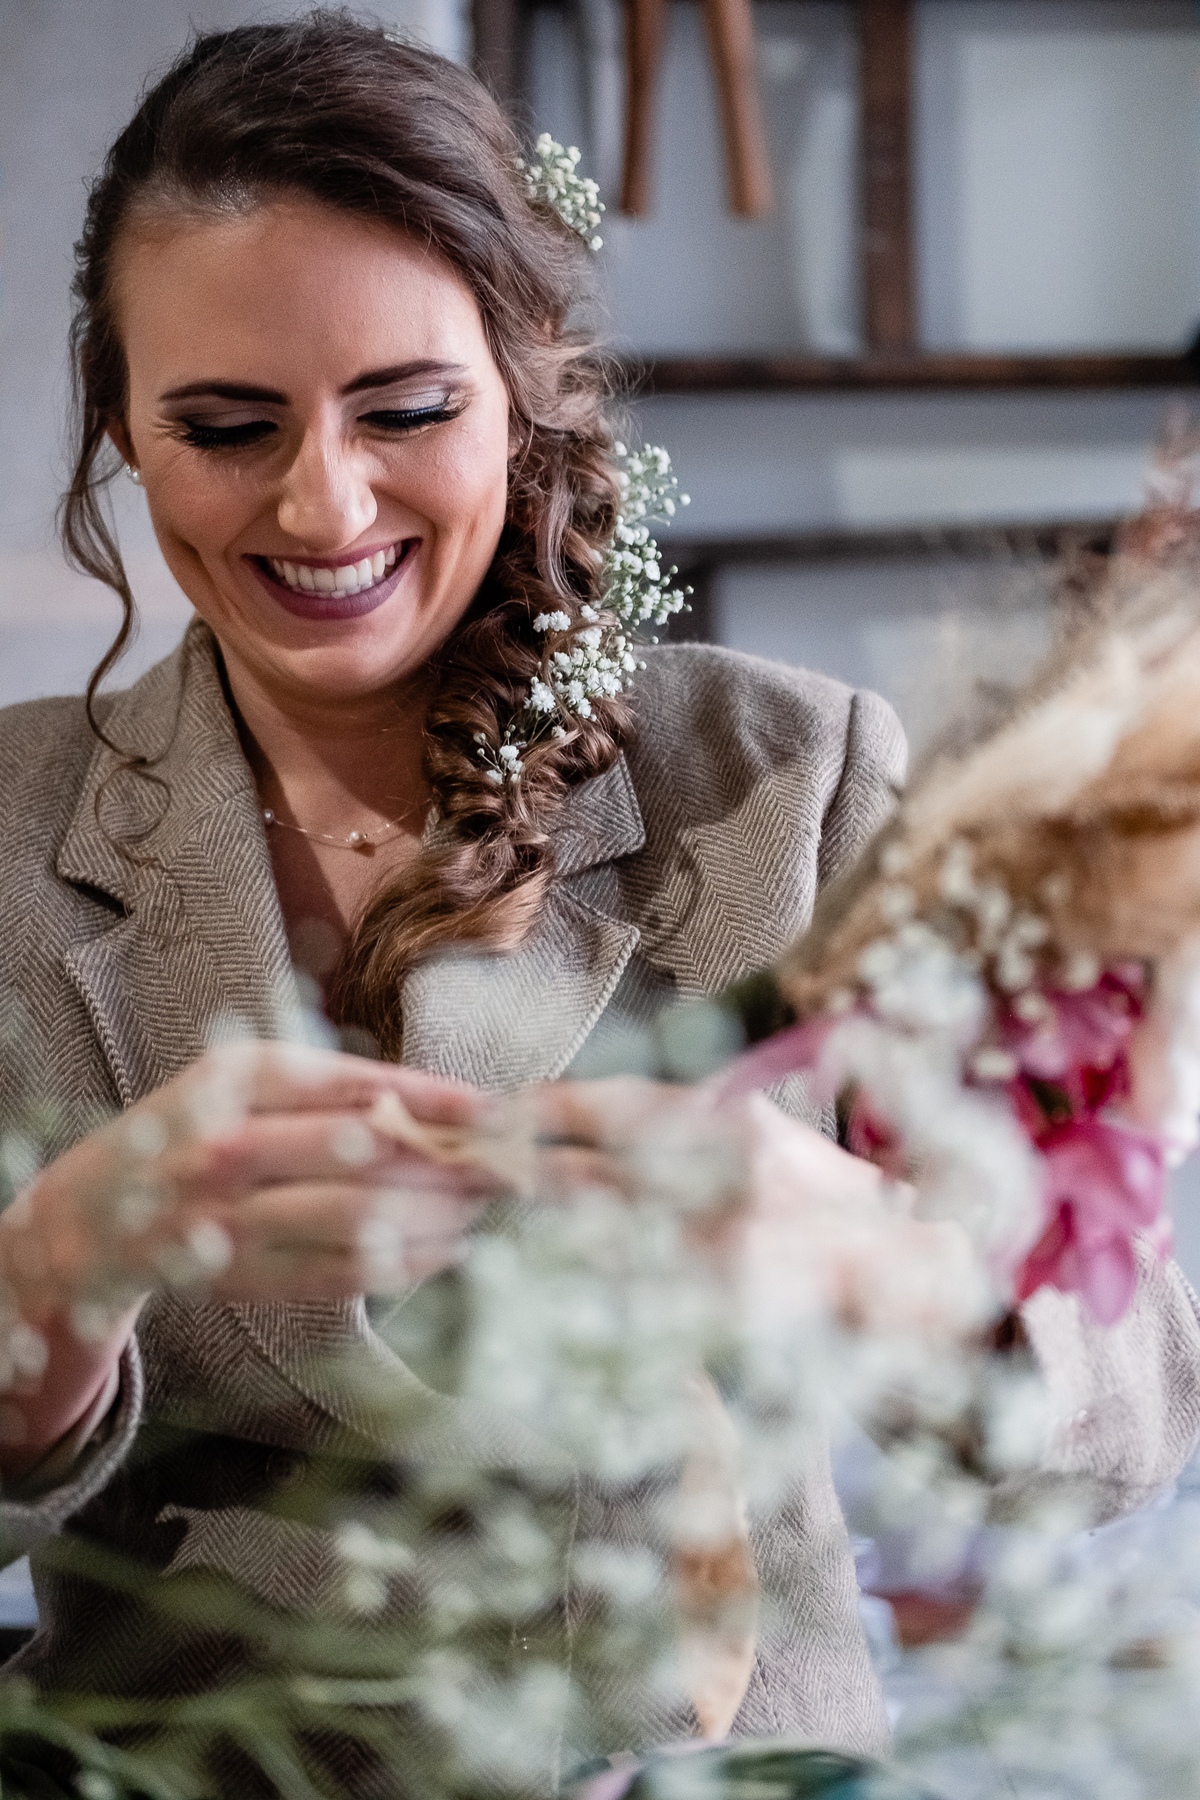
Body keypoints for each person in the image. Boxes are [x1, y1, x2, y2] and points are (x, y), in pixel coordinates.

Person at [0, 15, 1197, 1797]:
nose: (323, 502)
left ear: (527, 381)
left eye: (407, 410)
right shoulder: (15, 831)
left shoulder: (793, 780)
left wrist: (877, 1264)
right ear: (121, 427)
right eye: (227, 426)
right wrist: (50, 1280)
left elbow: (1121, 1432)